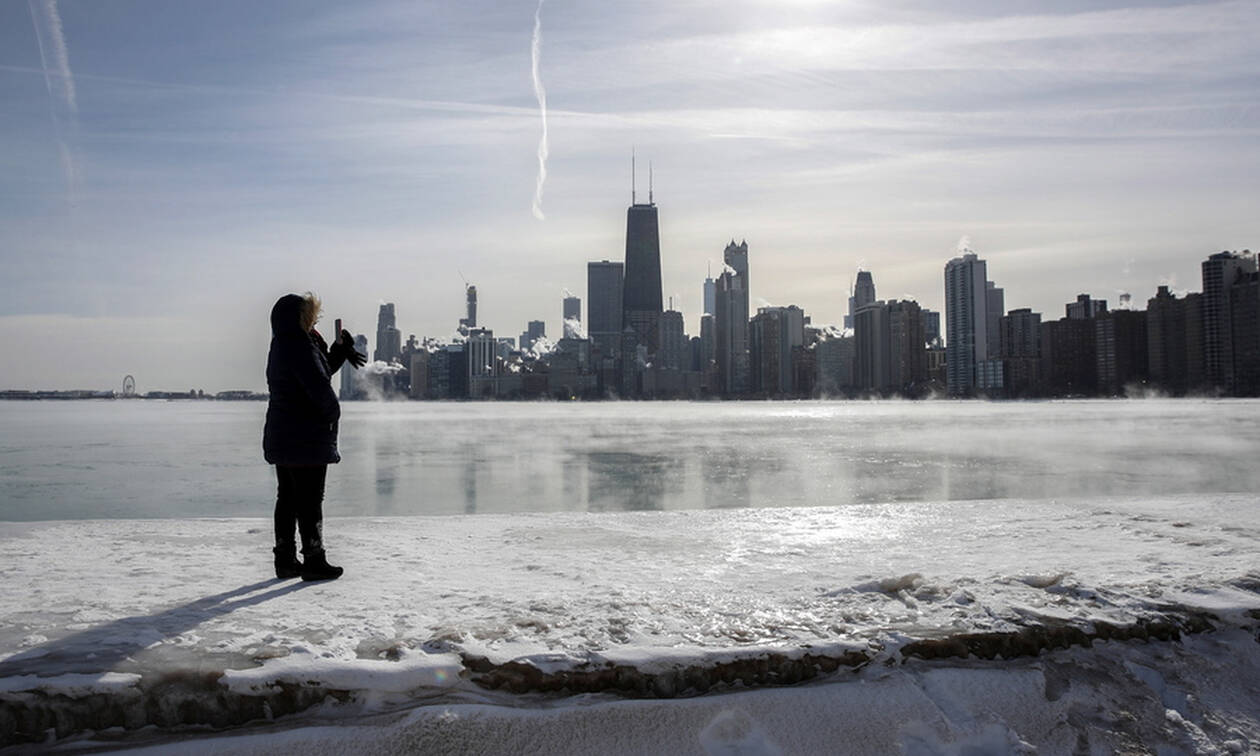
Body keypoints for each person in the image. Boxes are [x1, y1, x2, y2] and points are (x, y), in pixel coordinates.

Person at [262, 292, 365, 581]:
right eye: (311, 315)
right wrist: (332, 415)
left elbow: (314, 372)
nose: (315, 319)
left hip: (284, 432)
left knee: (288, 497)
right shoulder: (299, 345)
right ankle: (314, 559)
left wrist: (337, 353)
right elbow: (317, 384)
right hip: (304, 434)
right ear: (300, 317)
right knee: (310, 498)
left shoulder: (283, 343)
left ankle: (285, 559)